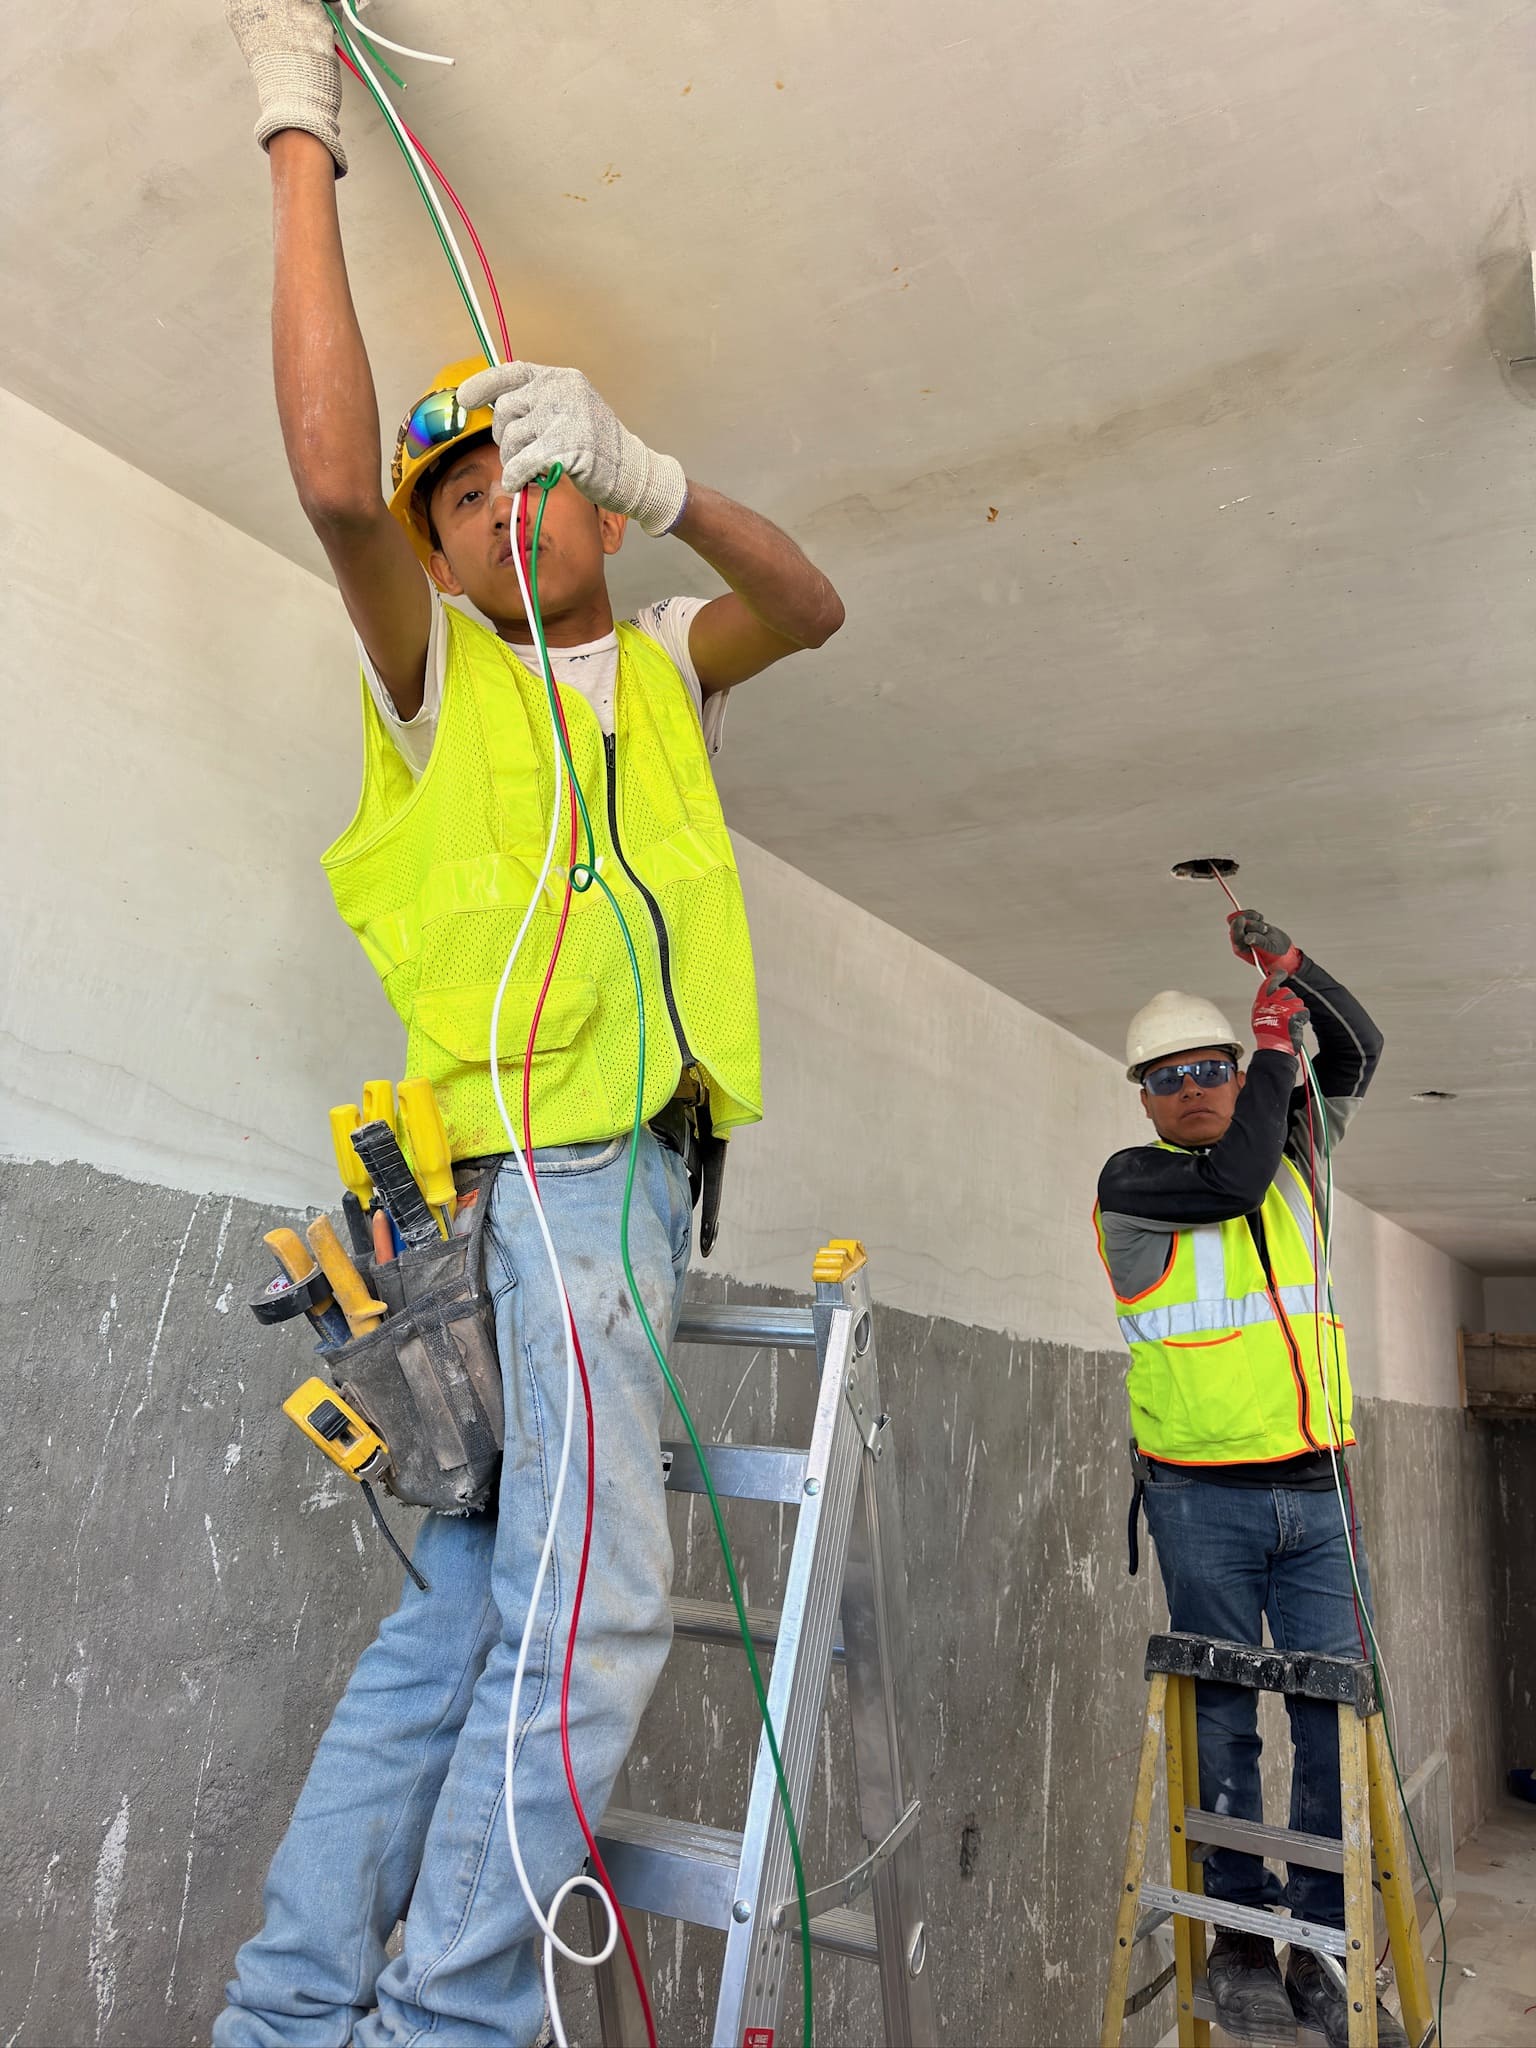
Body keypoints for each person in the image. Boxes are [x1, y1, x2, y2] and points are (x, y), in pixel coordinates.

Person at [218, 6, 844, 2044]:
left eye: (527, 476)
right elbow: (332, 480)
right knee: (592, 1637)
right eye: (457, 495)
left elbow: (813, 603)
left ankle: (292, 2012)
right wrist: (294, 119)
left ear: (585, 499)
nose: (490, 506)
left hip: (575, 1210)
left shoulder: (661, 667)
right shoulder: (440, 689)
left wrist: (663, 475)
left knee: (466, 1625)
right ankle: (442, 2029)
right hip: (555, 1202)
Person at [1093, 911, 1407, 2048]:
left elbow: (1359, 1050)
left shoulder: (1300, 1154)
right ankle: (1237, 1940)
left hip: (1319, 1493)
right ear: (1144, 1098)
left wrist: (1294, 974)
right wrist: (1275, 1043)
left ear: (1234, 1070)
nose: (1192, 1086)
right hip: (1200, 1501)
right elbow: (1232, 1176)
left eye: (1211, 1066)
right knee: (1222, 1718)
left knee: (1329, 1712)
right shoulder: (1135, 1184)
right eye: (1166, 1076)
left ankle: (1321, 1944)